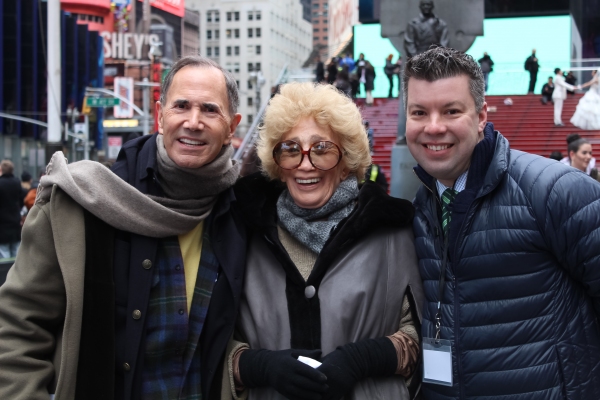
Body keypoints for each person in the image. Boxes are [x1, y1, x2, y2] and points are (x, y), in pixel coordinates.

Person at [0, 55, 247, 399]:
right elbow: (17, 326)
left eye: (209, 109)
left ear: (232, 126)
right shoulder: (84, 202)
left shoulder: (244, 209)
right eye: (181, 106)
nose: (193, 122)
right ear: (161, 115)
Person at [403, 46, 600, 400]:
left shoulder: (556, 192)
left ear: (481, 117)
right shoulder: (420, 208)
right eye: (419, 112)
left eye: (451, 111)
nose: (433, 127)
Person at [228, 82, 424, 400]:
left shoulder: (392, 232)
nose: (306, 164)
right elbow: (216, 340)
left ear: (346, 158)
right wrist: (259, 366)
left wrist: (363, 359)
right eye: (291, 149)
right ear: (277, 161)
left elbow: (420, 336)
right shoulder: (244, 231)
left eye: (322, 149)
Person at [0, 160, 23, 259]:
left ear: (1, 169)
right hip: (15, 221)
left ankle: (4, 273)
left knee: (3, 251)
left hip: (2, 223)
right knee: (16, 251)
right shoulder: (17, 182)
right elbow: (22, 199)